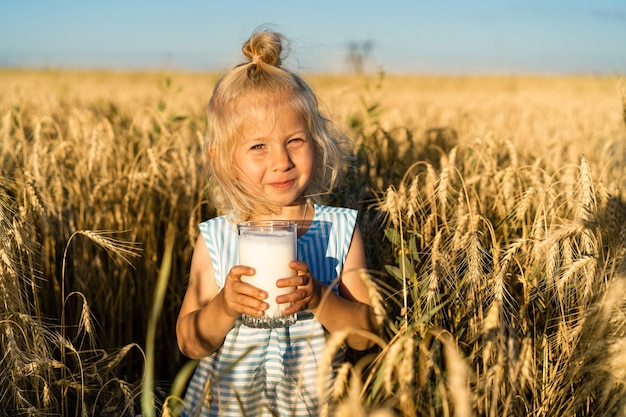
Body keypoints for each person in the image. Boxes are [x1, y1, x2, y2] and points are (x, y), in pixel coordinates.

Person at [176, 30, 376, 417]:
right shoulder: (217, 237)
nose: (281, 160)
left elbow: (366, 334)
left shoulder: (338, 232)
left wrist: (319, 298)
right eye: (258, 146)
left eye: (295, 141)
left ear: (315, 144)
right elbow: (189, 342)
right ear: (221, 160)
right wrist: (224, 306)